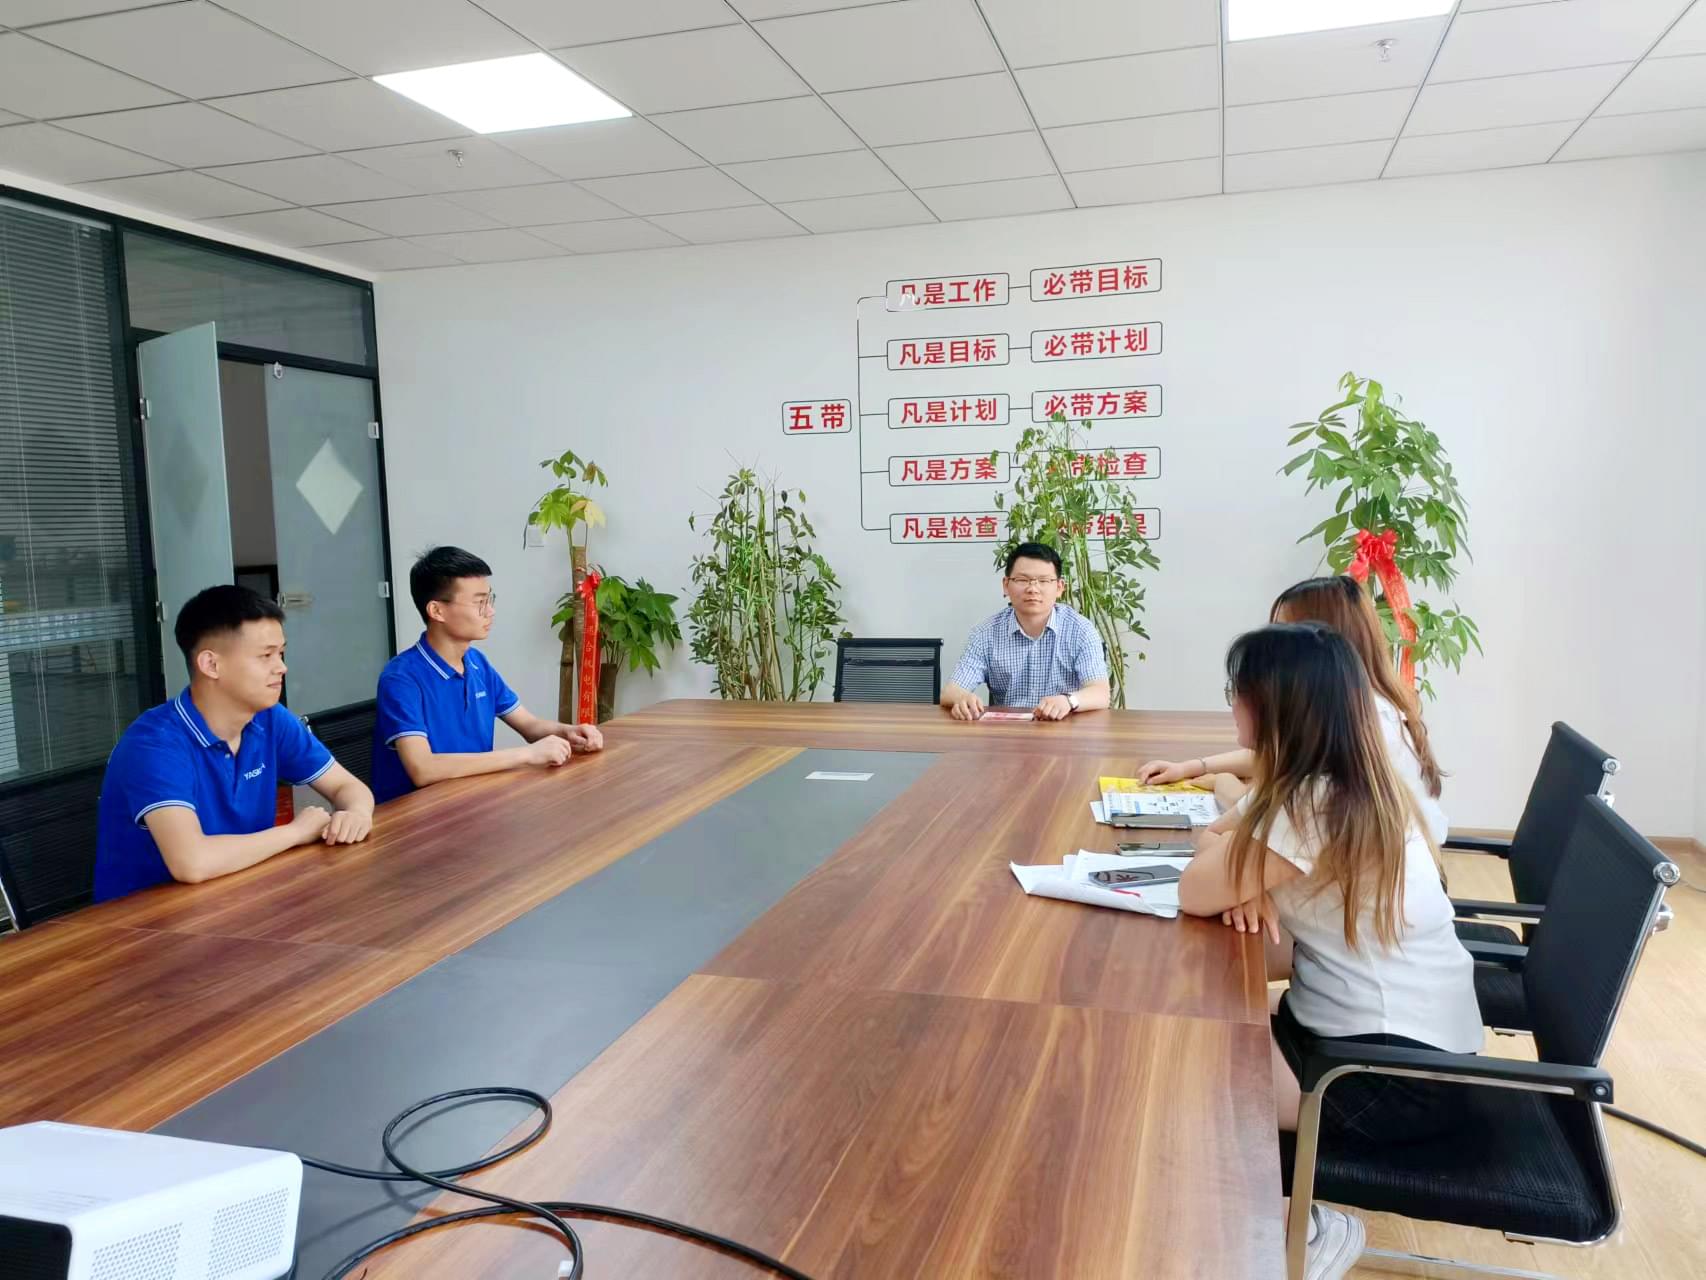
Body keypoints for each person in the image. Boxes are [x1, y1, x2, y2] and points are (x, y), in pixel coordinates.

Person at [1178, 623, 1480, 1279]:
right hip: (1389, 1049)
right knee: (1192, 1029)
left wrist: (1243, 879)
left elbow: (1194, 888)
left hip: (1390, 1076)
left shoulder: (1314, 804)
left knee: (1180, 1072)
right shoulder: (1342, 783)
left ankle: (1303, 1232)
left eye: (1237, 692)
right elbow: (1221, 857)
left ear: (1273, 706)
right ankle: (1274, 1222)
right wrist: (1250, 884)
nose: (1232, 706)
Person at [94, 585, 375, 902]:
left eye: (281, 653)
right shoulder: (154, 745)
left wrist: (357, 814)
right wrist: (295, 832)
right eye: (266, 655)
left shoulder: (270, 718)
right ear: (211, 665)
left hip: (241, 894)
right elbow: (192, 863)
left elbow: (347, 787)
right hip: (147, 920)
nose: (281, 667)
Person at [1134, 575, 1448, 844]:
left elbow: (1271, 814)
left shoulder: (1363, 721)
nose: (1274, 645)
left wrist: (1221, 782)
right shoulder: (1361, 703)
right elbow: (1275, 758)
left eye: (1283, 631)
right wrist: (1192, 767)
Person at [371, 546, 603, 804]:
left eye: (490, 600)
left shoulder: (476, 663)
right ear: (437, 611)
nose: (490, 611)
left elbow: (529, 725)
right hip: (413, 816)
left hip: (471, 801)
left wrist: (568, 732)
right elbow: (423, 769)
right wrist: (526, 755)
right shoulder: (401, 678)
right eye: (479, 603)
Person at [940, 541, 1111, 721]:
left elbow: (1100, 693)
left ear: (1059, 587)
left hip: (1064, 728)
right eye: (1022, 580)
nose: (1033, 589)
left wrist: (1069, 700)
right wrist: (962, 698)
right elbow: (950, 691)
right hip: (1009, 730)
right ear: (1006, 585)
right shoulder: (986, 634)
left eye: (1044, 581)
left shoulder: (1080, 630)